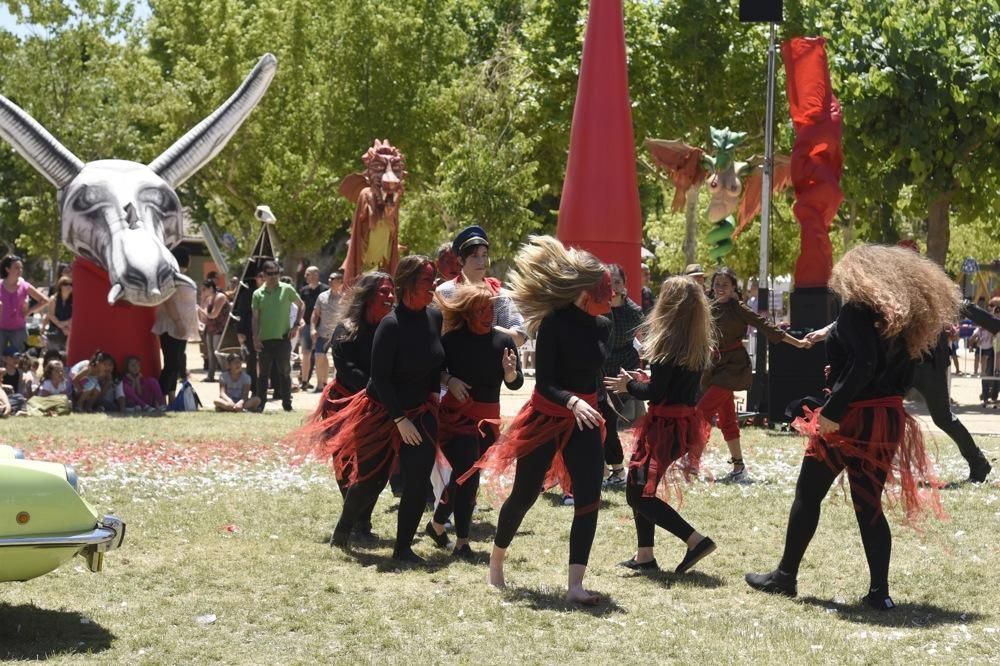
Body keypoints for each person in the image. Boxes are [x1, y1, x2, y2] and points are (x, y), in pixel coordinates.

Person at [746, 245, 958, 610]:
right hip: (886, 417)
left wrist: (832, 409)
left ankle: (785, 576)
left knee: (808, 493)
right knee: (868, 502)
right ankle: (880, 593)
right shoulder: (903, 319)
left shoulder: (856, 312)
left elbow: (862, 363)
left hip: (851, 419)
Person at [464, 235, 611, 605]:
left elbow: (594, 377)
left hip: (586, 419)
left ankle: (576, 585)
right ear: (584, 290)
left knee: (590, 497)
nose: (610, 292)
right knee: (525, 494)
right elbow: (545, 383)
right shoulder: (553, 324)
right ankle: (497, 560)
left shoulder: (604, 326)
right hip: (547, 415)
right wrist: (572, 400)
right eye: (604, 287)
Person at [325, 256, 444, 563]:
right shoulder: (390, 326)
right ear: (409, 284)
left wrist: (435, 392)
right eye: (426, 281)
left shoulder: (434, 318)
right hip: (382, 410)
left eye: (434, 279)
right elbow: (378, 379)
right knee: (371, 479)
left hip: (422, 412)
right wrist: (399, 418)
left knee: (418, 480)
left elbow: (435, 362)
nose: (433, 286)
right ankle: (345, 528)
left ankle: (403, 548)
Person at [604, 276, 716, 574]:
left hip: (664, 427)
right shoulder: (696, 341)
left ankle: (695, 540)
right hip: (681, 424)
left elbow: (656, 392)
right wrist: (642, 382)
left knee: (637, 493)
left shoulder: (667, 341)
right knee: (638, 485)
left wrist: (628, 385)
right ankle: (645, 556)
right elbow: (671, 386)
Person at [426, 284, 523, 559]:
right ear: (467, 312)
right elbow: (434, 372)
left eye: (491, 308)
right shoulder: (452, 340)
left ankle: (436, 524)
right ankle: (462, 542)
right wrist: (449, 379)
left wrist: (510, 373)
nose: (488, 313)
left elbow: (517, 383)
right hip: (456, 417)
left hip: (488, 419)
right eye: (481, 308)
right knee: (467, 473)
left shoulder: (503, 341)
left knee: (465, 475)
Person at [304, 271, 395, 542]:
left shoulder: (391, 327)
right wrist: (376, 387)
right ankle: (355, 522)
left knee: (378, 468)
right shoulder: (346, 328)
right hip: (344, 402)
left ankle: (361, 521)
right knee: (345, 464)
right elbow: (347, 369)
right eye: (383, 292)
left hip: (378, 404)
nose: (390, 297)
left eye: (392, 291)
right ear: (367, 297)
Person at [699, 267, 809, 482]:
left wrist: (797, 342)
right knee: (728, 419)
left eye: (725, 285)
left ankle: (690, 462)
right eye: (717, 284)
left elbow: (764, 325)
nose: (720, 288)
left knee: (701, 412)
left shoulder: (738, 308)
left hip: (733, 366)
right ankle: (739, 468)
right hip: (714, 365)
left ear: (733, 289)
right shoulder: (707, 306)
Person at [436, 225, 528, 347]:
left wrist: (486, 330)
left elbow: (520, 337)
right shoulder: (443, 293)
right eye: (474, 256)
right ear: (460, 260)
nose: (481, 262)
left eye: (484, 255)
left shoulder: (500, 296)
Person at [600, 264, 645, 488]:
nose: (613, 287)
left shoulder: (634, 311)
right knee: (599, 420)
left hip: (623, 372)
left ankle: (617, 470)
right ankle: (606, 469)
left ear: (625, 285)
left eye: (617, 282)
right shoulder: (598, 307)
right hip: (599, 369)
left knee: (607, 419)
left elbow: (647, 336)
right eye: (610, 282)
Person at [252, 260, 304, 412]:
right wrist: (255, 337)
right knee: (263, 375)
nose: (274, 276)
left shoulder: (287, 289)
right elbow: (255, 318)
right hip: (264, 341)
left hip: (283, 339)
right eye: (270, 274)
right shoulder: (257, 294)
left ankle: (287, 404)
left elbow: (302, 305)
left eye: (276, 273)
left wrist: (296, 324)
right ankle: (260, 404)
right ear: (264, 275)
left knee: (285, 373)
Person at [154, 248, 199, 402]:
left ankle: (171, 396)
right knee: (171, 363)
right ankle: (158, 396)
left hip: (183, 327)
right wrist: (178, 322)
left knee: (176, 363)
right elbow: (168, 300)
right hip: (171, 325)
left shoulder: (181, 277)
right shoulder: (170, 277)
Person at [0, 254, 50, 354]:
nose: (20, 270)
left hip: (18, 330)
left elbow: (44, 300)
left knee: (19, 358)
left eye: (21, 268)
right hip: (0, 329)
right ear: (7, 269)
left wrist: (29, 312)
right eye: (16, 267)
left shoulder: (24, 286)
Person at [310, 272, 343, 391]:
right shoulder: (322, 296)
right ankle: (320, 384)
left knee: (337, 361)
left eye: (333, 278)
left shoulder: (345, 298)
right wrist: (312, 328)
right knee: (319, 356)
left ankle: (335, 385)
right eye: (329, 278)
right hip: (322, 333)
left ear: (340, 281)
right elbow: (315, 314)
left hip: (338, 335)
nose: (329, 280)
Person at [297, 266, 328, 390]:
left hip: (322, 326)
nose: (311, 276)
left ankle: (322, 382)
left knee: (321, 354)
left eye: (314, 273)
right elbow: (300, 307)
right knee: (305, 353)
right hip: (306, 325)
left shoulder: (325, 289)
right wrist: (300, 321)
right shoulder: (303, 290)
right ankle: (304, 381)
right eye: (309, 274)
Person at [198, 278, 230, 382]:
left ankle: (227, 375)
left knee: (218, 352)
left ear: (211, 288)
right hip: (211, 328)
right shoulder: (209, 298)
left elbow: (213, 315)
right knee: (210, 353)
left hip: (220, 328)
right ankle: (210, 376)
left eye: (204, 289)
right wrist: (202, 301)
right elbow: (203, 317)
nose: (203, 291)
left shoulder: (220, 297)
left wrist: (200, 310)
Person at [45, 276, 73, 352]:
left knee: (66, 354)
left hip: (69, 331)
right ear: (60, 286)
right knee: (53, 354)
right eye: (66, 284)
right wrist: (61, 326)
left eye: (71, 284)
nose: (69, 286)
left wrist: (66, 324)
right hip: (55, 330)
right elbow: (51, 315)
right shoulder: (53, 299)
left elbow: (76, 315)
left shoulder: (75, 299)